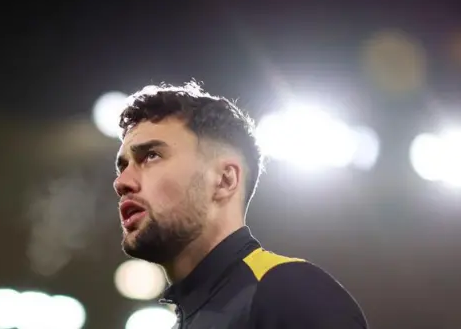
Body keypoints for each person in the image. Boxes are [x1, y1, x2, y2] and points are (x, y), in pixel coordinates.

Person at [113, 81, 368, 329]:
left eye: (151, 156)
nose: (121, 182)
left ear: (224, 180)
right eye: (123, 166)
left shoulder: (289, 292)